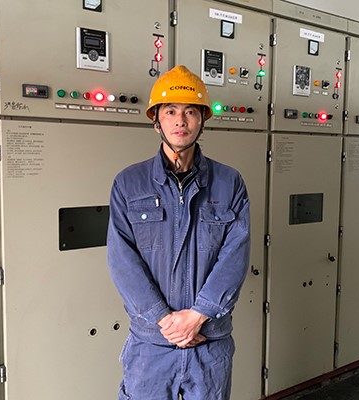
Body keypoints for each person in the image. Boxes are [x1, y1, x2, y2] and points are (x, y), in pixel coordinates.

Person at [107, 65, 251, 400]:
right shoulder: (129, 183)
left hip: (209, 342)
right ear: (156, 120)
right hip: (152, 344)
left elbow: (236, 255)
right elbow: (122, 260)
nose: (180, 121)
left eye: (190, 112)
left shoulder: (229, 182)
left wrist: (198, 316)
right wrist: (165, 321)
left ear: (202, 120)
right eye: (170, 111)